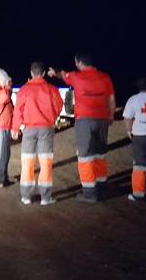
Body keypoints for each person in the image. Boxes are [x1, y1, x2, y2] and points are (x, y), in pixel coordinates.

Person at [48, 52, 115, 204]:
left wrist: (54, 73)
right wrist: (110, 115)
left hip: (85, 120)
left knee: (85, 156)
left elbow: (63, 75)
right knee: (100, 154)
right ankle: (102, 187)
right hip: (103, 119)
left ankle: (89, 192)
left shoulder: (76, 77)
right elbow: (111, 98)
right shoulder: (105, 77)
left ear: (79, 63)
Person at [11, 62, 63, 206]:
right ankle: (46, 198)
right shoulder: (52, 89)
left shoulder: (24, 90)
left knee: (27, 162)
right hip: (46, 129)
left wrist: (15, 128)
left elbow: (18, 111)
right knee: (45, 163)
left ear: (31, 73)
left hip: (29, 130)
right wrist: (52, 117)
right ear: (44, 73)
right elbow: (59, 106)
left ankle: (26, 196)